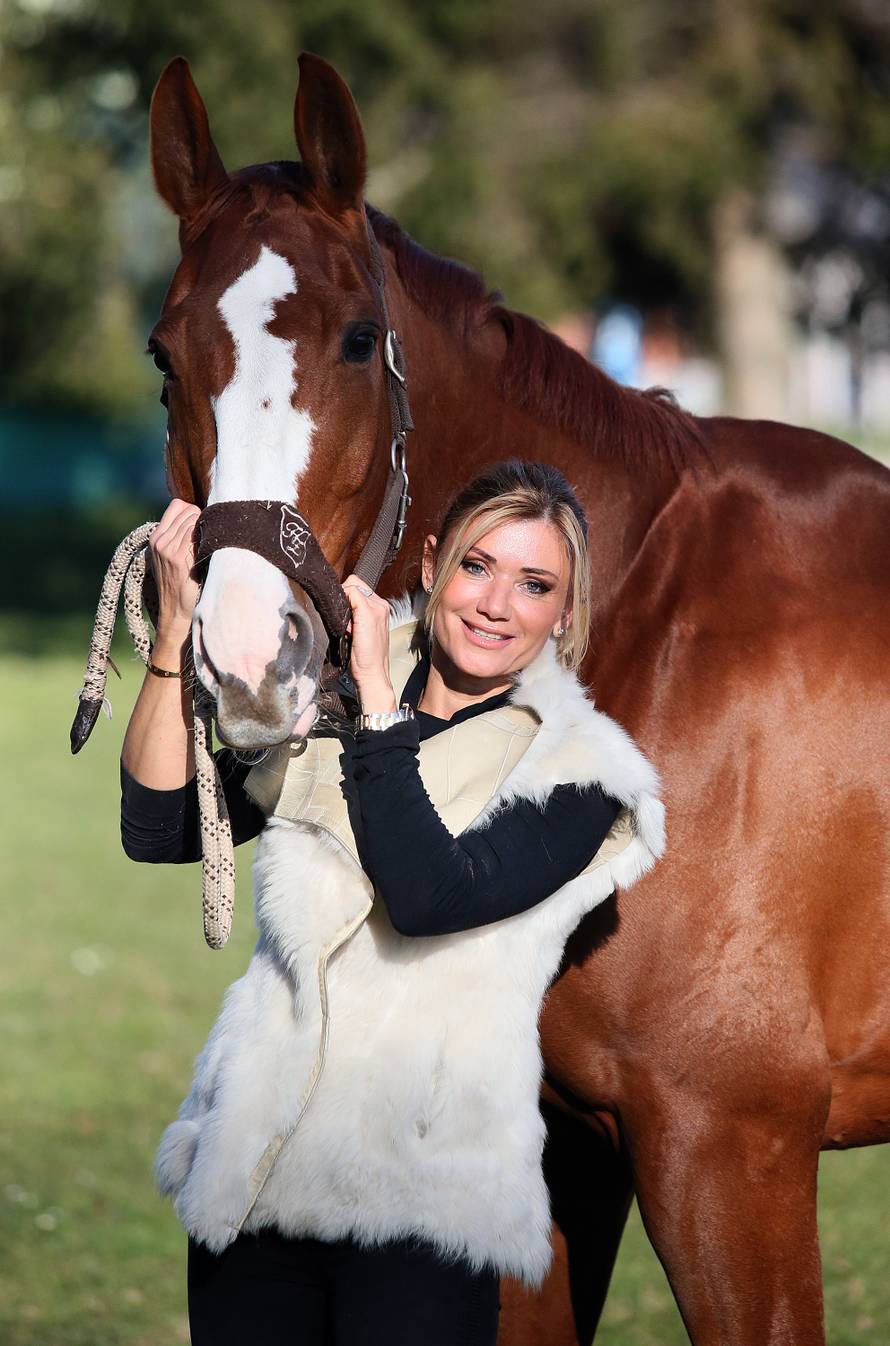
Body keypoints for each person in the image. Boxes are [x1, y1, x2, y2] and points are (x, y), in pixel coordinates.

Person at [120, 459, 665, 1346]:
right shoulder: (322, 691)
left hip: (422, 1198)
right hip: (255, 1169)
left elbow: (428, 896)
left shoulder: (578, 770)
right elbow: (161, 826)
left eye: (534, 585)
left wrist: (377, 703)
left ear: (566, 613)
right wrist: (175, 630)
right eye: (477, 567)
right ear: (431, 564)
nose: (497, 604)